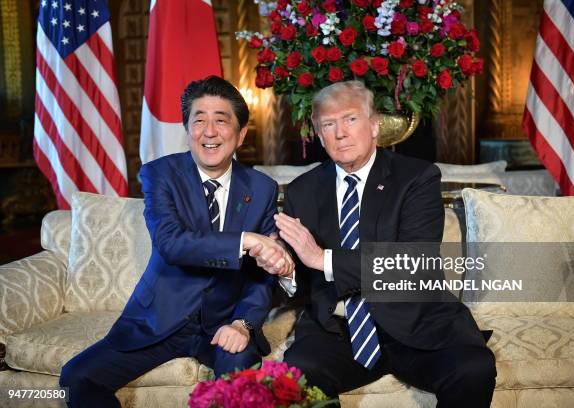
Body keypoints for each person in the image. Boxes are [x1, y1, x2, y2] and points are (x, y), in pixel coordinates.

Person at [60, 76, 293, 408]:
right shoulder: (160, 174)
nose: (209, 131)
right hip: (159, 322)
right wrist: (246, 240)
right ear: (188, 130)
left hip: (224, 324)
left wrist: (243, 324)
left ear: (240, 134)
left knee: (240, 386)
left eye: (221, 120)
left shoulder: (261, 187)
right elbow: (172, 243)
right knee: (75, 378)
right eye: (199, 120)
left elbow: (262, 274)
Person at [274, 81, 496, 407]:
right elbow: (298, 281)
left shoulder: (417, 178)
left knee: (473, 369)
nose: (340, 133)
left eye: (350, 119)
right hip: (338, 330)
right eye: (328, 125)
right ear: (319, 136)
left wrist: (324, 259)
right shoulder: (301, 191)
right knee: (297, 374)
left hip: (418, 322)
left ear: (375, 125)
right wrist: (282, 267)